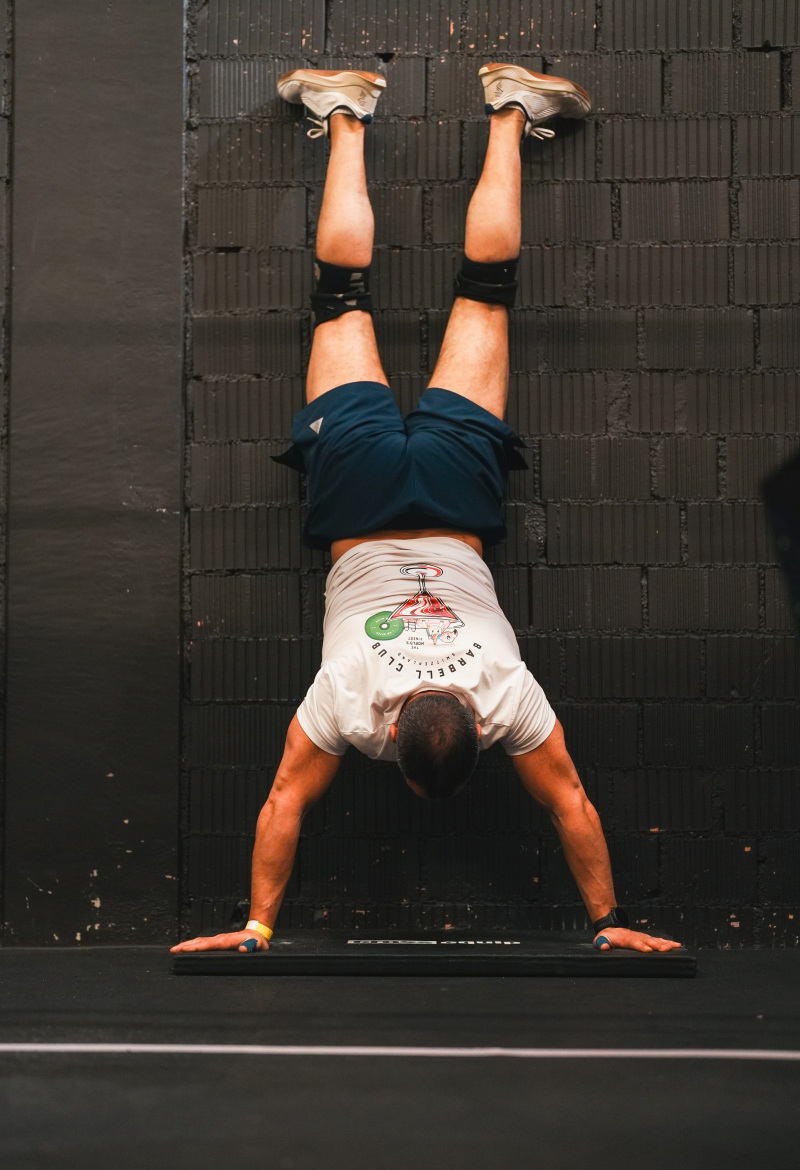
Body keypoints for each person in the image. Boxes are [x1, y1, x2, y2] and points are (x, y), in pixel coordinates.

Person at [172, 64, 681, 957]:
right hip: (357, 498)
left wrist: (612, 924)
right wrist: (254, 927)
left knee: (487, 289)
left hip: (455, 497)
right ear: (393, 737)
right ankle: (345, 110)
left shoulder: (507, 698)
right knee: (341, 293)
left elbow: (569, 800)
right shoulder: (346, 701)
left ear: (476, 730)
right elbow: (284, 799)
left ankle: (511, 108)